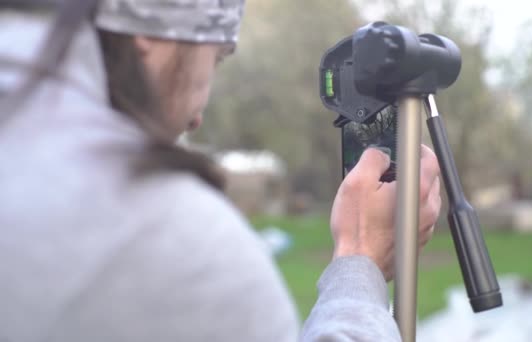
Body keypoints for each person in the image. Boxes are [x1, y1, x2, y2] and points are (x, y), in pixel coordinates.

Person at [0, 1, 442, 341]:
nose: (196, 119)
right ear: (149, 32)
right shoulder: (171, 240)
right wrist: (359, 262)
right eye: (216, 58)